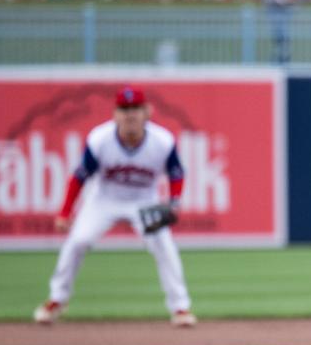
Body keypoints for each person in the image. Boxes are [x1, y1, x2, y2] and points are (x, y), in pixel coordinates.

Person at [33, 86, 197, 327]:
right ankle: (57, 299)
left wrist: (174, 202)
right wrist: (65, 212)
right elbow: (79, 177)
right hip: (104, 200)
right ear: (115, 114)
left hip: (144, 200)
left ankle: (180, 307)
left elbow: (176, 173)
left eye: (135, 109)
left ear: (147, 112)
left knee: (164, 245)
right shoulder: (100, 139)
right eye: (124, 109)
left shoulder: (162, 141)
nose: (130, 114)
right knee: (77, 241)